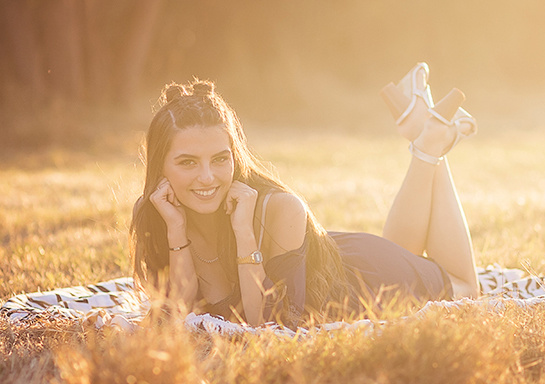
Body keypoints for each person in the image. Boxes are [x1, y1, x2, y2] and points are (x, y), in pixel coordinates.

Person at [129, 64, 479, 327]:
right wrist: (176, 231)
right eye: (188, 162)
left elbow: (265, 325)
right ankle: (425, 131)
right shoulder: (156, 213)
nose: (207, 177)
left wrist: (244, 232)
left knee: (465, 287)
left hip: (366, 285)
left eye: (220, 159)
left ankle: (431, 142)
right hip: (345, 258)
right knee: (405, 252)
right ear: (161, 166)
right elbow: (179, 316)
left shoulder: (280, 209)